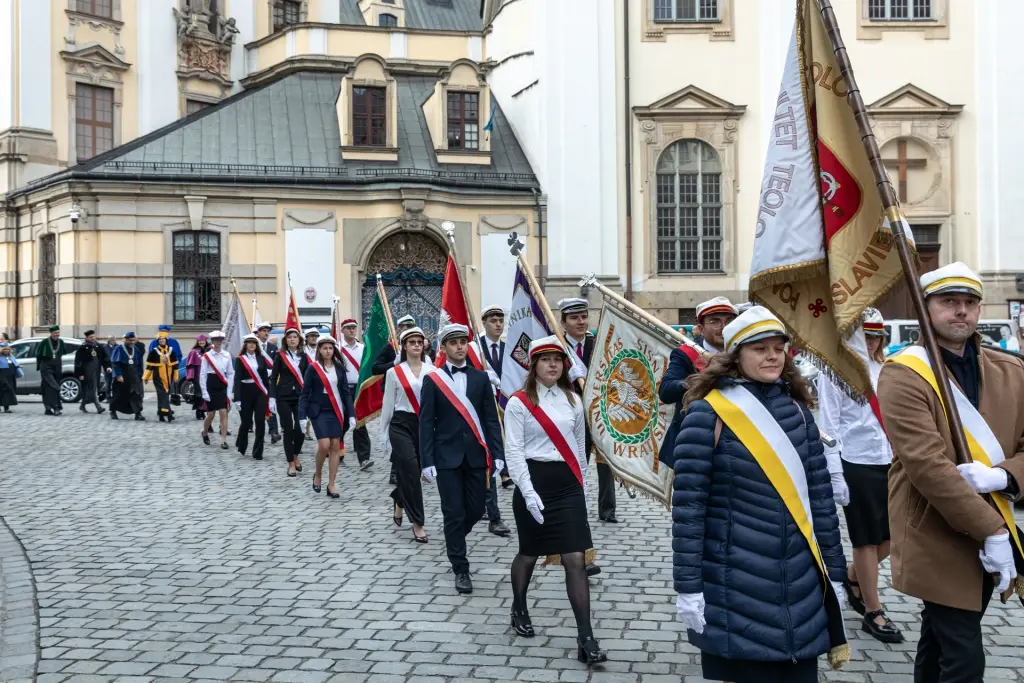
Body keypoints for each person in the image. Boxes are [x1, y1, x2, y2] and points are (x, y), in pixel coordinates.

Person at [672, 306, 848, 683]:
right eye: (760, 349)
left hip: (800, 584)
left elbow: (821, 502)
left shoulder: (799, 412)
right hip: (734, 585)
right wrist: (688, 586)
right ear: (736, 356)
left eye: (778, 348)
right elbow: (689, 510)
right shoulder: (707, 414)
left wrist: (835, 573)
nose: (772, 356)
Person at [878, 262, 1024, 683]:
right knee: (964, 658)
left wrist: (1005, 477)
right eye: (949, 301)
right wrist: (992, 531)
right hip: (936, 531)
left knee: (939, 640)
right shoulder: (903, 372)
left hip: (994, 513)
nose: (961, 310)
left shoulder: (1012, 370)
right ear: (925, 308)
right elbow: (926, 465)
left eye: (970, 302)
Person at [504, 336, 607, 665]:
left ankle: (585, 637)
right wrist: (527, 491)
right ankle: (519, 607)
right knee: (529, 553)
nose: (553, 365)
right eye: (546, 359)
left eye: (558, 359)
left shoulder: (573, 400)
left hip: (567, 485)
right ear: (533, 365)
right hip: (533, 481)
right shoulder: (519, 403)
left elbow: (580, 448)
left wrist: (583, 488)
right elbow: (514, 452)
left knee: (575, 558)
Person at [817, 308, 903, 644]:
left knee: (894, 536)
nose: (870, 343)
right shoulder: (834, 372)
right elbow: (828, 426)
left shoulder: (889, 370)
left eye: (875, 337)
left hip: (891, 461)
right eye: (864, 336)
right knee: (865, 539)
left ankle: (854, 576)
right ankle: (873, 610)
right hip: (855, 461)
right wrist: (835, 472)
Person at [419, 323, 505, 594]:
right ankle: (461, 567)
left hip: (476, 455)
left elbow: (491, 420)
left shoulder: (481, 378)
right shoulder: (433, 380)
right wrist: (427, 460)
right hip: (446, 457)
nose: (459, 347)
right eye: (454, 343)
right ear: (444, 348)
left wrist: (498, 454)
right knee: (453, 512)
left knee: (477, 509)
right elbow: (426, 422)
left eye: (463, 342)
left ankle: (453, 537)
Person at [557, 297, 607, 577]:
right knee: (574, 487)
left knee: (587, 484)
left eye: (584, 316)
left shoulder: (597, 344)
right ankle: (576, 550)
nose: (581, 322)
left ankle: (580, 552)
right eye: (574, 317)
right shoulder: (555, 347)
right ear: (563, 322)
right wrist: (567, 377)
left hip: (596, 422)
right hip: (567, 425)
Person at [657, 297, 736, 468]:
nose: (723, 327)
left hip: (733, 442)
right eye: (715, 321)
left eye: (729, 321)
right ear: (700, 328)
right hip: (693, 442)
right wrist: (704, 379)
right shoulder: (686, 354)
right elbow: (666, 391)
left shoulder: (742, 352)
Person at [379, 326, 435, 543]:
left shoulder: (432, 371)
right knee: (411, 469)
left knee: (414, 471)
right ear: (403, 346)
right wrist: (383, 433)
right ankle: (418, 523)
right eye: (412, 342)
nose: (416, 345)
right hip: (400, 424)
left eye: (419, 342)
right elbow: (388, 404)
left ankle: (399, 499)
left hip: (423, 425)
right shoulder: (394, 372)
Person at [299, 335, 356, 499]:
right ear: (319, 350)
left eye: (331, 348)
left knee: (335, 446)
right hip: (318, 410)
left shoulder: (339, 368)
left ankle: (331, 484)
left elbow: (346, 393)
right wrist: (302, 416)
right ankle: (317, 474)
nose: (328, 351)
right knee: (324, 445)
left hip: (335, 410)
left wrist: (351, 414)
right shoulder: (313, 368)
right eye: (325, 348)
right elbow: (305, 393)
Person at [270, 328, 308, 477]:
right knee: (288, 429)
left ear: (299, 340)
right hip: (283, 396)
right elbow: (274, 377)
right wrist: (272, 397)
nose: (292, 339)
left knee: (300, 429)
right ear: (285, 340)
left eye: (295, 337)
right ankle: (291, 463)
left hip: (299, 396)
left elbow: (307, 377)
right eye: (290, 337)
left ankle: (296, 454)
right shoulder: (280, 356)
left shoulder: (304, 356)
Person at [339, 319, 373, 471]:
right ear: (342, 330)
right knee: (343, 423)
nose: (352, 330)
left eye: (353, 327)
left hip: (359, 389)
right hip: (343, 390)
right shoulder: (338, 348)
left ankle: (364, 458)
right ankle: (337, 449)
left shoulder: (363, 348)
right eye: (348, 328)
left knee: (360, 422)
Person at [233, 333, 272, 460]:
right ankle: (242, 444)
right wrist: (237, 398)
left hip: (259, 392)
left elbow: (265, 379)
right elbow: (237, 379)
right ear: (245, 345)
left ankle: (258, 451)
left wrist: (270, 395)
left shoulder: (261, 359)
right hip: (245, 391)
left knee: (260, 421)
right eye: (249, 342)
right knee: (246, 421)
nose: (252, 344)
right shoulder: (240, 359)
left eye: (254, 342)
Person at [200, 330, 234, 450]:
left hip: (222, 384)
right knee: (211, 414)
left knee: (223, 412)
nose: (219, 342)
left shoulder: (227, 355)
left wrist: (229, 391)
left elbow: (230, 373)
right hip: (211, 384)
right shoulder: (207, 356)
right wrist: (204, 391)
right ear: (212, 341)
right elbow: (203, 374)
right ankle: (205, 431)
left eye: (220, 340)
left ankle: (223, 440)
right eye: (216, 340)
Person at [144, 334, 180, 422]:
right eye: (159, 339)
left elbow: (175, 366)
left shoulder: (171, 351)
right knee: (163, 394)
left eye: (163, 339)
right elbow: (149, 366)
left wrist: (175, 376)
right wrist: (146, 377)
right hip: (158, 377)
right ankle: (168, 413)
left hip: (169, 377)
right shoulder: (154, 352)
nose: (161, 340)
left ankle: (161, 414)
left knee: (163, 395)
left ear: (166, 340)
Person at [109, 332, 145, 421]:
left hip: (134, 376)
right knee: (119, 395)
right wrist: (118, 375)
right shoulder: (119, 349)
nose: (132, 342)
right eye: (130, 340)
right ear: (125, 340)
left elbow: (139, 363)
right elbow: (115, 363)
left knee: (136, 395)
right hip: (122, 375)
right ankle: (113, 411)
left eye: (133, 340)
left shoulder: (136, 349)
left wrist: (140, 375)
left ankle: (138, 413)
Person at [255, 322, 281, 444]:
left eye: (268, 331)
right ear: (258, 332)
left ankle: (274, 431)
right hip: (257, 381)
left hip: (269, 381)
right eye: (263, 331)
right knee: (259, 407)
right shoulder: (253, 346)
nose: (266, 333)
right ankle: (259, 432)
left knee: (271, 405)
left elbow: (276, 363)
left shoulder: (273, 348)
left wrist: (272, 372)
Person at [74, 330, 109, 414]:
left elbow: (105, 358)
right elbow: (78, 362)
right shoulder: (83, 347)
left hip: (97, 370)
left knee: (89, 389)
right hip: (87, 371)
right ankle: (98, 407)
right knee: (93, 388)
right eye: (90, 337)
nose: (93, 338)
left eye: (93, 336)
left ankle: (82, 405)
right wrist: (80, 373)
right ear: (86, 338)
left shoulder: (98, 346)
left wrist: (107, 367)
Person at [36, 324, 66, 415]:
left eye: (58, 332)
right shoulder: (44, 342)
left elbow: (62, 353)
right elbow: (38, 355)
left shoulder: (61, 342)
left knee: (48, 388)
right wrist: (39, 367)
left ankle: (48, 408)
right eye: (55, 333)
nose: (57, 334)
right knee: (53, 386)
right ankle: (56, 407)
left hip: (57, 367)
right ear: (51, 333)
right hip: (46, 367)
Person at [185, 335, 209, 420]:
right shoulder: (193, 352)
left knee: (207, 393)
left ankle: (205, 410)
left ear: (205, 341)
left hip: (208, 376)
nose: (201, 342)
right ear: (197, 342)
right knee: (199, 394)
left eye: (203, 341)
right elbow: (190, 365)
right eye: (200, 341)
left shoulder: (209, 351)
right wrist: (190, 377)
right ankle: (199, 410)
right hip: (197, 376)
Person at [0, 341, 23, 412]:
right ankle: (5, 407)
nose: (6, 351)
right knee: (4, 390)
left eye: (8, 349)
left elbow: (16, 365)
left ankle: (6, 407)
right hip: (2, 376)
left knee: (9, 391)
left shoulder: (11, 357)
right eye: (5, 349)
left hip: (10, 377)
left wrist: (19, 371)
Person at [103, 335, 117, 402]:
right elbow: (104, 358)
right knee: (108, 383)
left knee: (116, 383)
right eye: (112, 340)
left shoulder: (118, 347)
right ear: (109, 340)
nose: (114, 341)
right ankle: (108, 397)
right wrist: (107, 366)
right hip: (108, 367)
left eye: (115, 340)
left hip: (116, 367)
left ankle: (115, 397)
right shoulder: (105, 347)